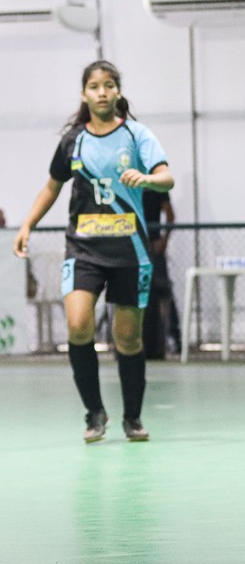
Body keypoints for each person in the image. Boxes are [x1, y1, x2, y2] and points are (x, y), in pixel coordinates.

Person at [12, 60, 173, 443]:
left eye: (109, 85)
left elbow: (167, 178)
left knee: (128, 339)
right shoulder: (73, 140)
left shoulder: (137, 135)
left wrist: (148, 179)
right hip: (83, 249)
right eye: (95, 86)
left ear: (118, 92)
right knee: (79, 326)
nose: (102, 92)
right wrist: (27, 224)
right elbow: (51, 187)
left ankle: (132, 417)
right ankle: (94, 413)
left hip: (130, 251)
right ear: (84, 94)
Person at [142, 189, 178, 359]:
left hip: (153, 247)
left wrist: (163, 241)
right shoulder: (125, 181)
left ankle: (174, 338)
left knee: (163, 291)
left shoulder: (156, 183)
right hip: (132, 245)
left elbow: (170, 215)